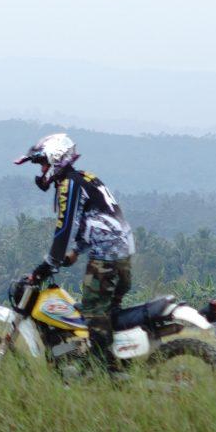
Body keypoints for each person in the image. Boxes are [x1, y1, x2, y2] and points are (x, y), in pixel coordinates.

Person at [14, 132, 136, 371]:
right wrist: (76, 252)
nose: (42, 170)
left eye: (44, 163)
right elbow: (95, 220)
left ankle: (105, 372)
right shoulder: (85, 179)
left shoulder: (69, 186)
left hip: (107, 257)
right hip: (123, 252)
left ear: (57, 158)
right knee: (108, 314)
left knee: (92, 312)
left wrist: (45, 267)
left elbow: (64, 229)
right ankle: (121, 365)